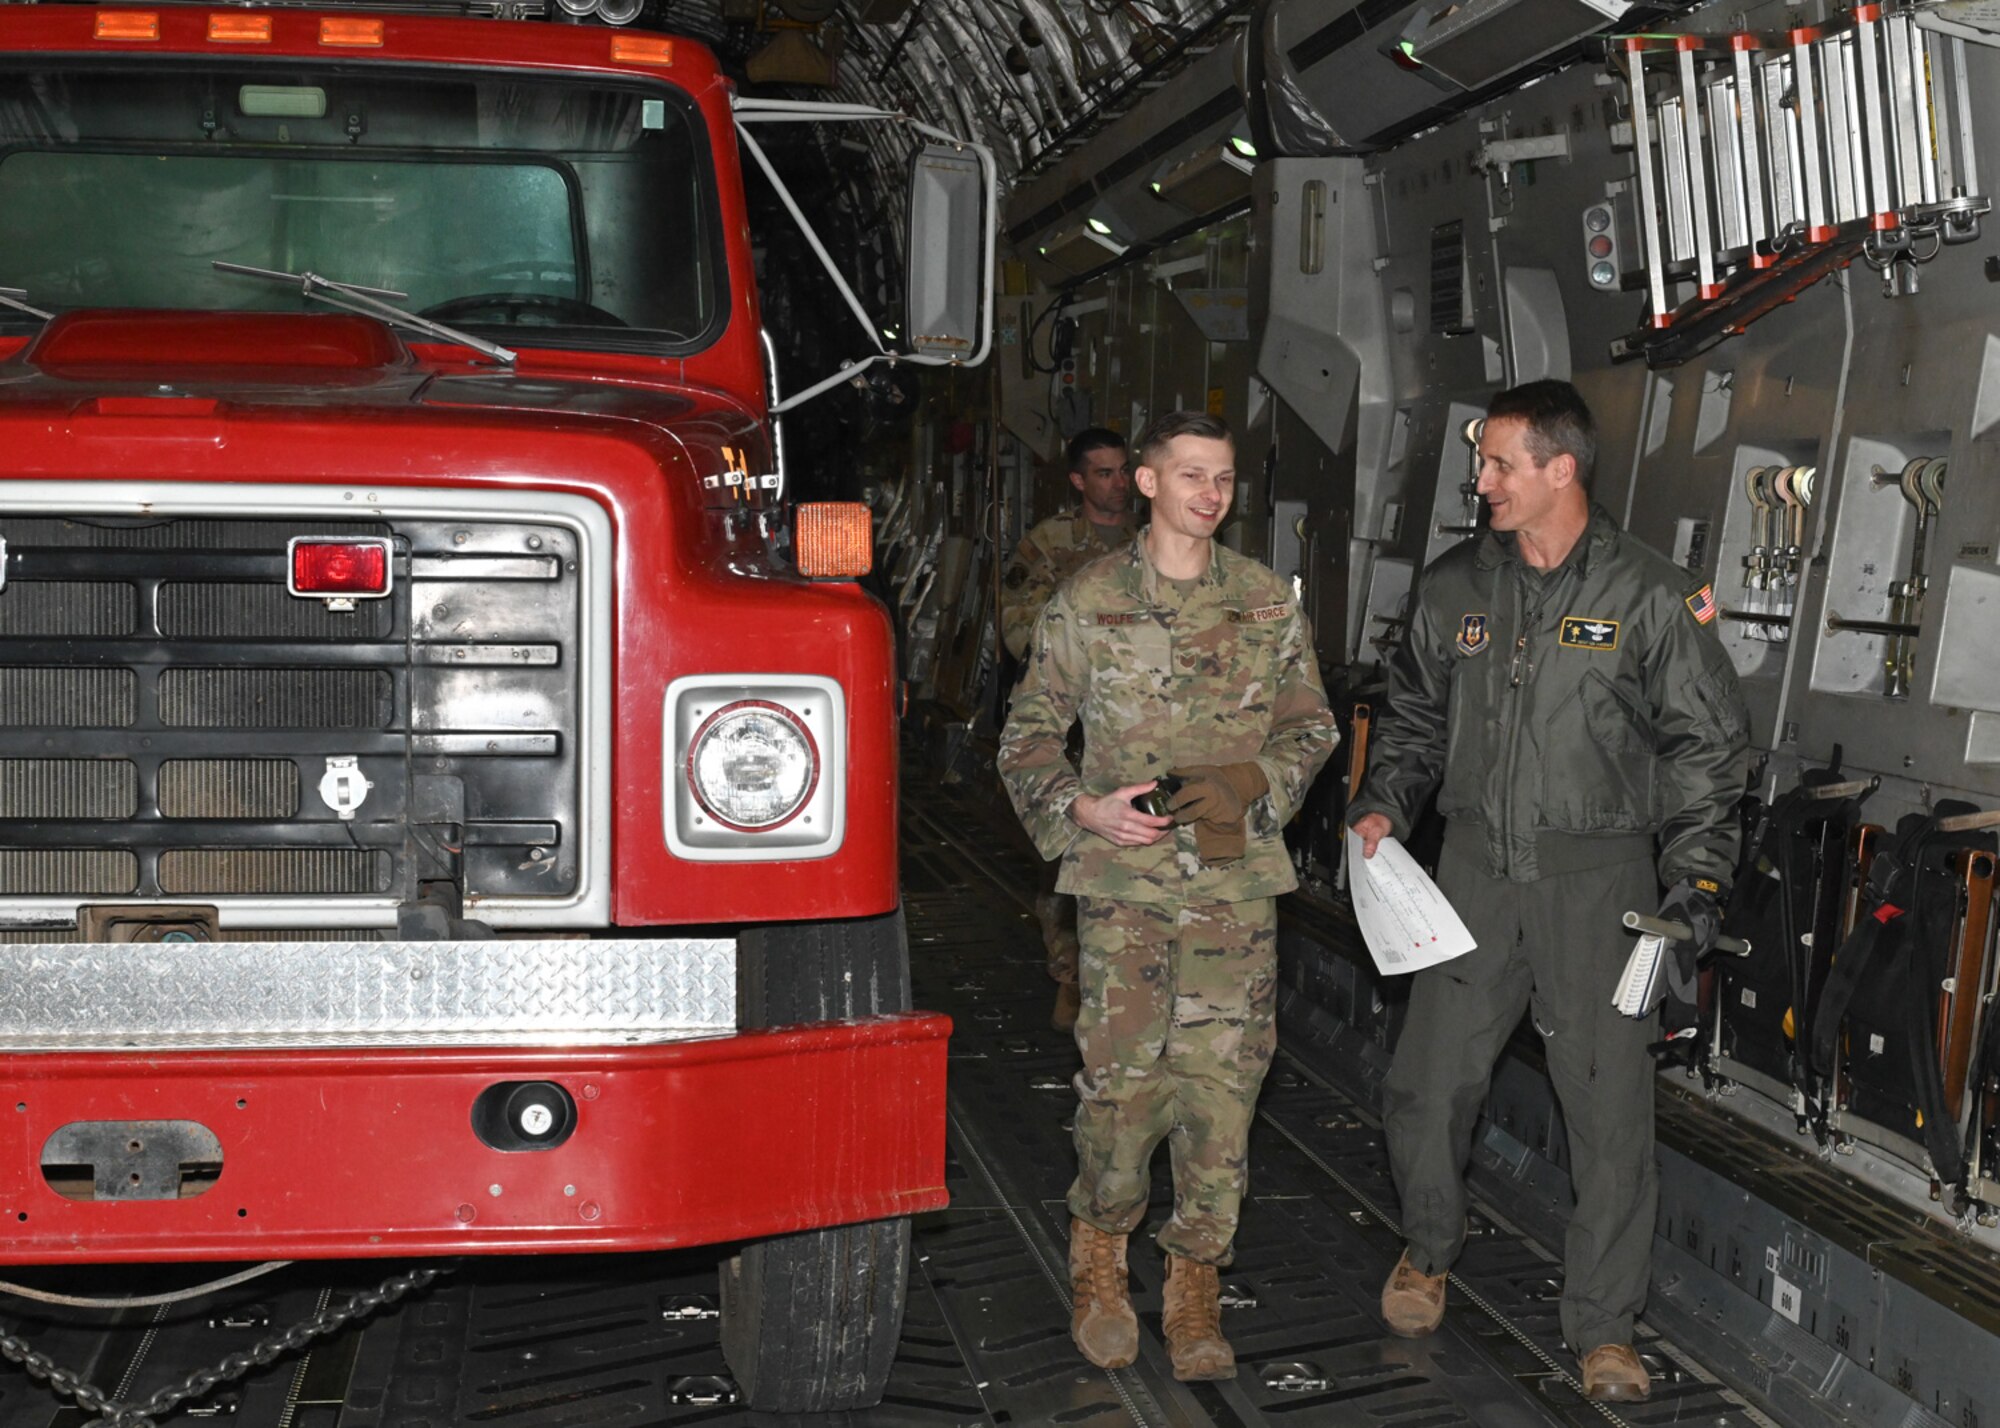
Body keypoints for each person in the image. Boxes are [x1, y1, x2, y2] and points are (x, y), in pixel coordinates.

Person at [1347, 379, 1749, 1403]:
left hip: (1601, 887)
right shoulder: (1451, 590)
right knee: (1425, 1087)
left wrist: (1695, 877)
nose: (1477, 480)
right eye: (1478, 462)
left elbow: (1705, 753)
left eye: (1495, 464)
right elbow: (1409, 723)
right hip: (1472, 871)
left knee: (1609, 1116)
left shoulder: (1651, 595)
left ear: (1557, 469)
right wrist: (1381, 805)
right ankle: (1427, 1249)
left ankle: (1603, 1327)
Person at [998, 411, 1338, 1381]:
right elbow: (1024, 738)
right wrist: (1082, 810)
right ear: (1145, 483)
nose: (1209, 493)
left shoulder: (1264, 603)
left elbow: (1308, 726)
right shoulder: (1087, 600)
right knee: (1121, 1085)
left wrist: (1256, 783)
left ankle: (1194, 1277)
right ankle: (1100, 1256)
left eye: (1222, 478)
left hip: (1231, 890)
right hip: (1122, 890)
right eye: (1189, 475)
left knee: (1224, 1091)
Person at [1001, 427, 1137, 1033]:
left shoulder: (1154, 540)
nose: (1119, 482)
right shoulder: (1050, 543)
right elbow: (1015, 624)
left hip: (1134, 719)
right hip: (1071, 718)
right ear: (1080, 481)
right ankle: (1069, 973)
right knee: (1065, 851)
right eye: (1104, 473)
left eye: (1124, 469)